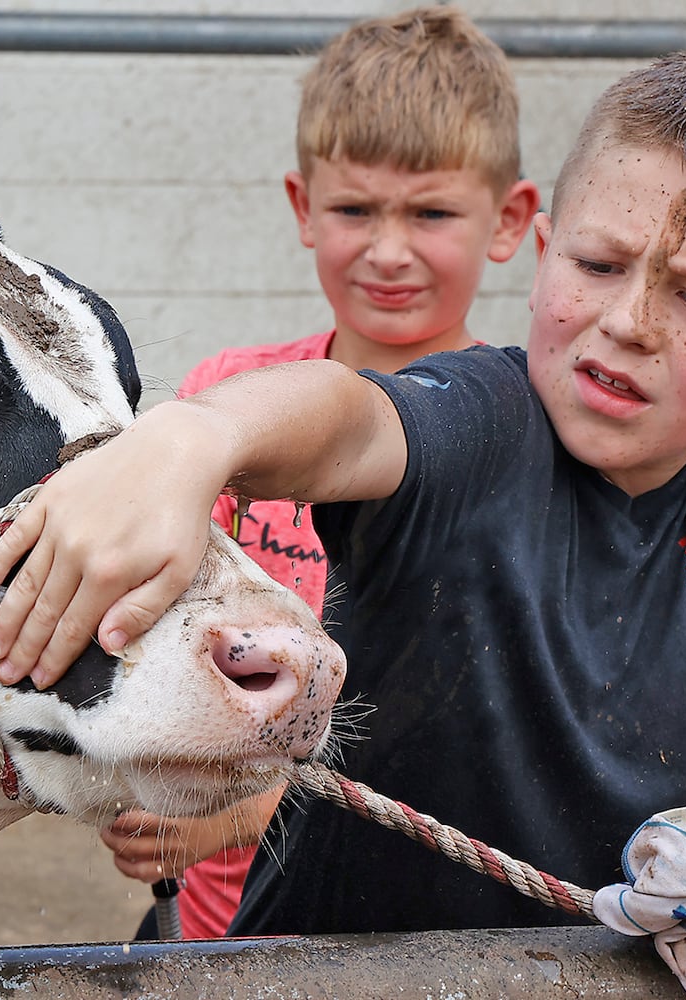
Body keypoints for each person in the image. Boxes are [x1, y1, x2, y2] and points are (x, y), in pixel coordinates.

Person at [0, 49, 686, 971]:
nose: (630, 322)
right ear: (544, 250)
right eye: (599, 264)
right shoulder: (488, 413)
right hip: (331, 971)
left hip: (619, 972)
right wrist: (186, 441)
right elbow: (353, 416)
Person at [96, 5, 541, 939]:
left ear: (508, 220)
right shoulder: (227, 405)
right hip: (215, 933)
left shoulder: (524, 442)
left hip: (401, 938)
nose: (387, 250)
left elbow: (461, 741)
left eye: (430, 212)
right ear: (304, 208)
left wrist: (240, 813)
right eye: (354, 209)